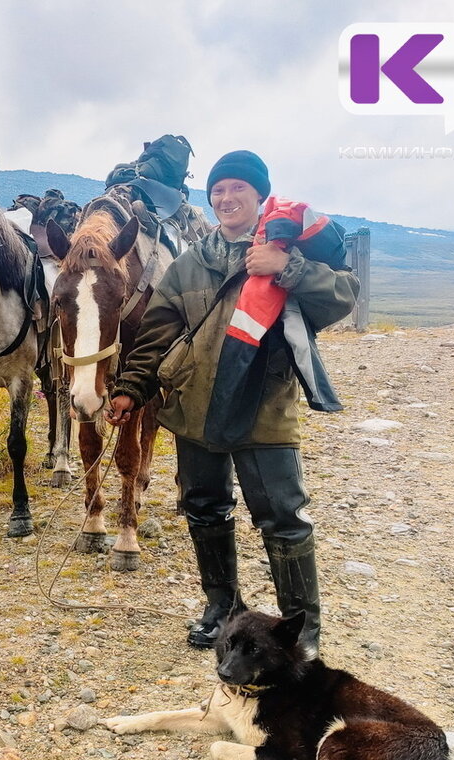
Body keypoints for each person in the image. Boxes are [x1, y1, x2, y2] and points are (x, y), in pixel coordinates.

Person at [107, 150, 358, 656]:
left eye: (237, 189)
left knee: (283, 517)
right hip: (194, 407)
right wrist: (131, 388)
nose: (225, 198)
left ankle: (300, 631)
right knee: (203, 509)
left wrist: (286, 268)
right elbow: (157, 333)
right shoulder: (191, 262)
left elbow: (342, 295)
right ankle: (223, 608)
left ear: (259, 196)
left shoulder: (283, 250)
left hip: (264, 409)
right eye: (218, 190)